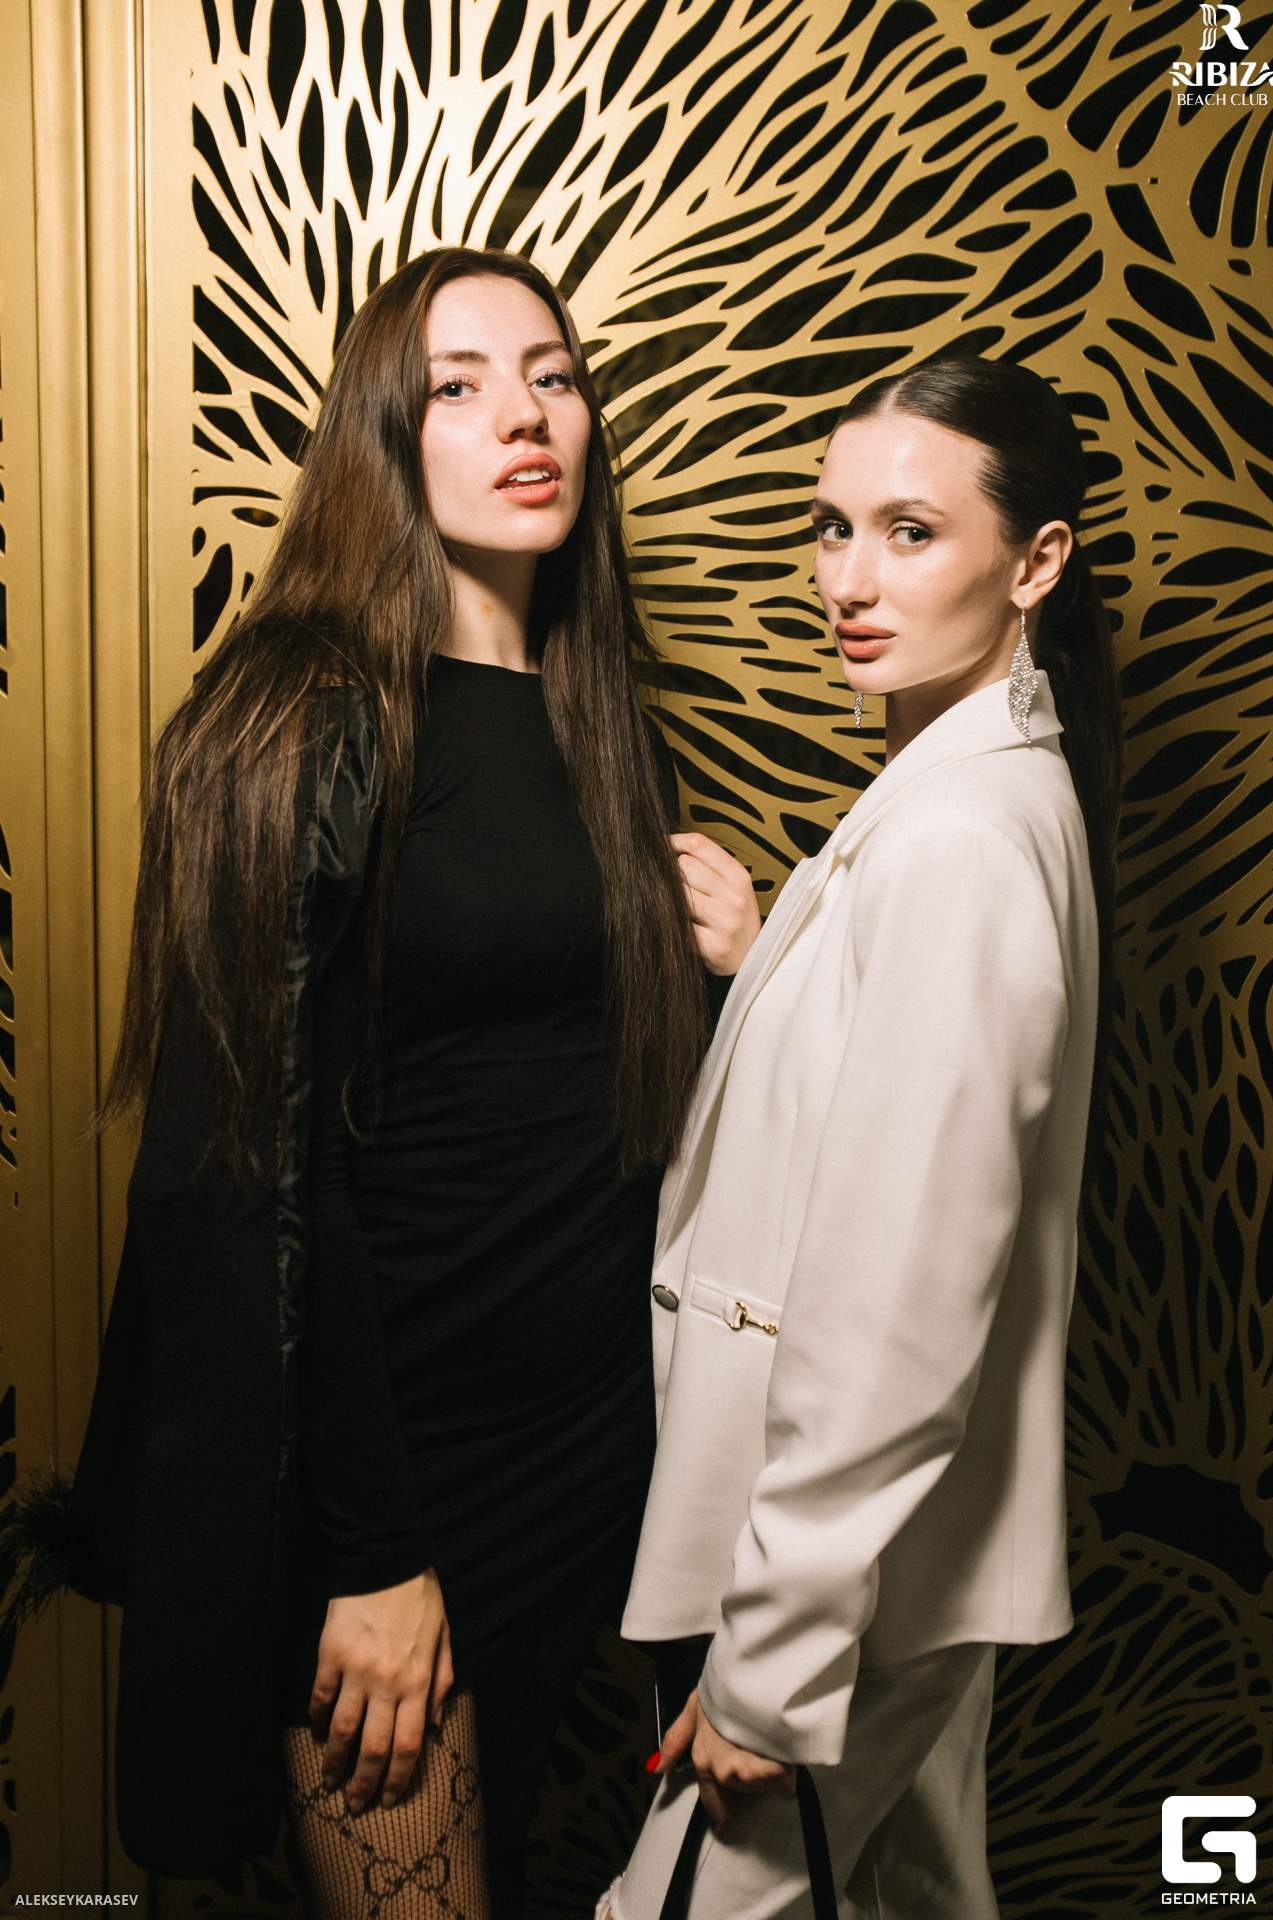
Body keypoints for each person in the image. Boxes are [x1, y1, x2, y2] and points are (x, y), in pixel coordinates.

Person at [0, 247, 758, 1912]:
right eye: (459, 386)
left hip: (585, 1458)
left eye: (552, 376)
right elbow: (238, 1177)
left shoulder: (603, 728)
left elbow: (599, 1105)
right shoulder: (292, 716)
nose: (524, 416)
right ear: (381, 438)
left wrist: (738, 975)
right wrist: (373, 1553)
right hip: (389, 1483)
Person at [597, 358, 1121, 1920]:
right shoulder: (972, 788)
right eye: (832, 529)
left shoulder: (960, 838)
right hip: (905, 1579)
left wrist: (772, 1665)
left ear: (1034, 562)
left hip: (854, 1600)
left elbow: (899, 1298)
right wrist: (776, 953)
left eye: (909, 532)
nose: (848, 581)